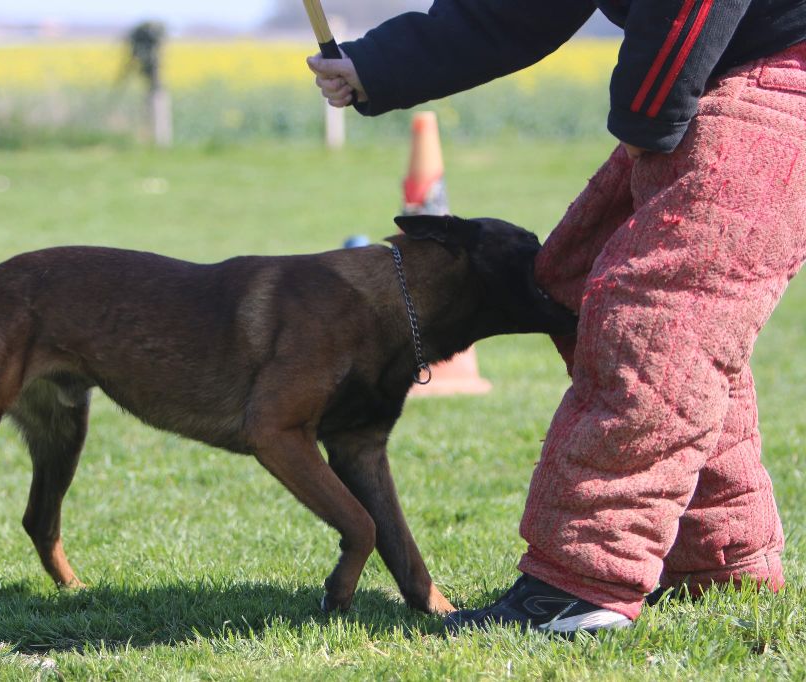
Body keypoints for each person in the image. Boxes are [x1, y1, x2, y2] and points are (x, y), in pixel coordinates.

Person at [308, 0, 806, 635]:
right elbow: (515, 10)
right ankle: (716, 557)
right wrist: (374, 65)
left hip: (781, 71)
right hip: (719, 74)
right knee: (576, 279)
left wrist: (649, 112)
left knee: (655, 324)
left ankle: (583, 583)